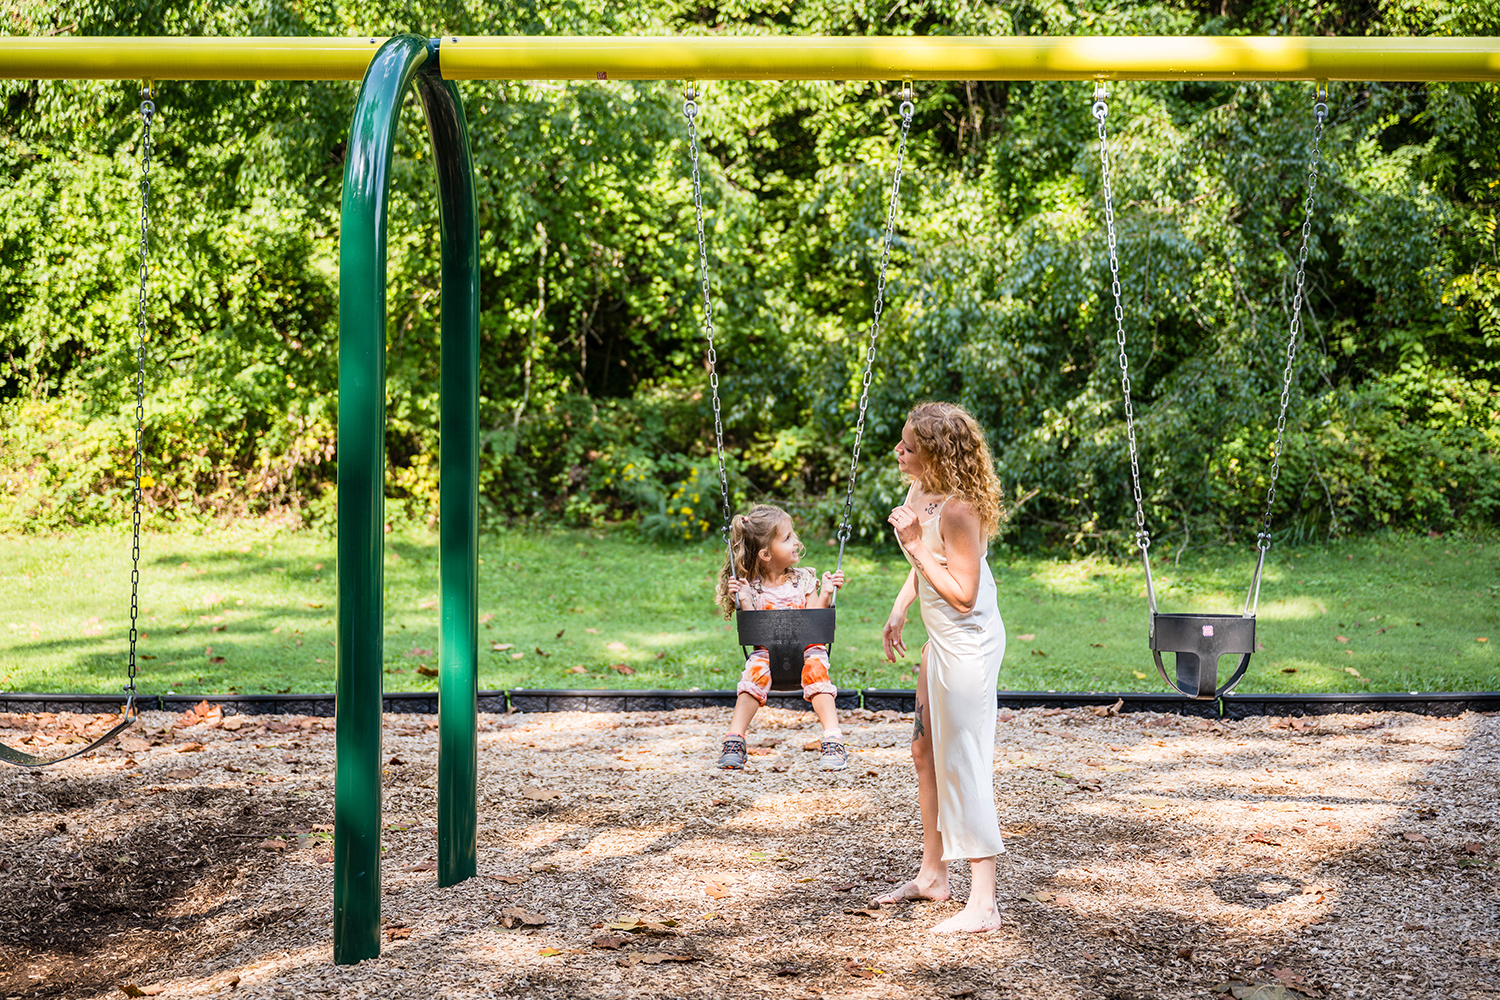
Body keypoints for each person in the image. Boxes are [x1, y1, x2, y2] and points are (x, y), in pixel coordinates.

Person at [876, 401, 1007, 934]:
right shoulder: (921, 490)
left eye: (909, 446)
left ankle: (984, 903)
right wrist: (901, 606)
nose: (898, 452)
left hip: (968, 642)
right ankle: (934, 875)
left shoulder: (958, 509)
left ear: (935, 452)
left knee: (965, 760)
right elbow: (926, 568)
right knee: (923, 750)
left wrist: (912, 545)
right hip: (940, 639)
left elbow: (963, 594)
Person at [713, 504, 848, 772]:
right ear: (765, 554)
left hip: (807, 648)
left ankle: (833, 739)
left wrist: (826, 594)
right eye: (787, 538)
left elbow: (813, 620)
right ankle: (735, 740)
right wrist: (742, 599)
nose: (796, 541)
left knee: (817, 670)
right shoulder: (752, 587)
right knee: (754, 674)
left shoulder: (805, 580)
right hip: (767, 651)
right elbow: (754, 625)